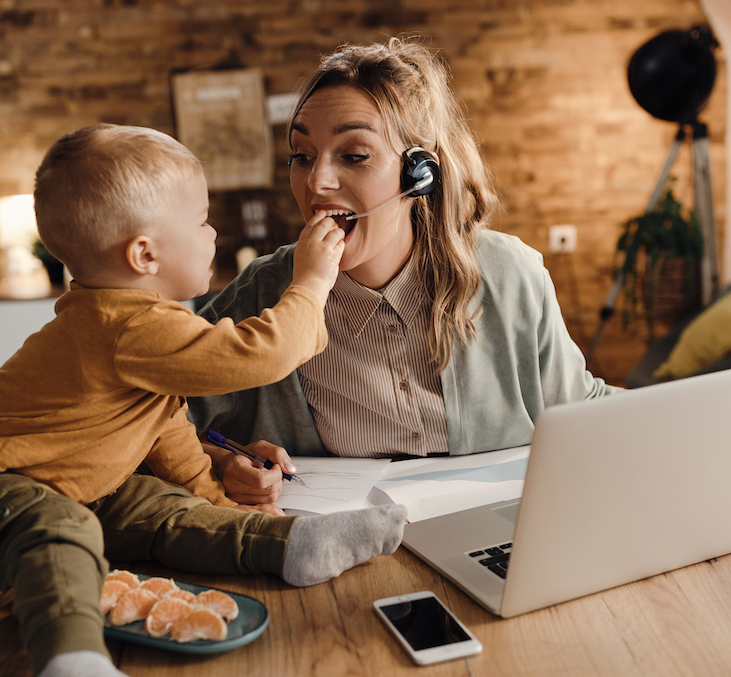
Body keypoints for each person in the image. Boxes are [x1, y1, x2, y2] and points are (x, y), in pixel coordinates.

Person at [0, 123, 407, 677]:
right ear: (145, 255)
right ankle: (69, 671)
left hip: (64, 483)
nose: (213, 232)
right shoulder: (126, 327)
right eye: (200, 221)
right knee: (59, 531)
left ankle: (285, 543)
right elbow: (264, 353)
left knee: (156, 503)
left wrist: (218, 504)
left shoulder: (145, 329)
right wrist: (310, 282)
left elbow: (172, 439)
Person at [189, 38, 621, 506]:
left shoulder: (509, 273)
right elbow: (155, 418)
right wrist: (218, 461)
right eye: (302, 155)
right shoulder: (265, 290)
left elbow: (581, 408)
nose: (316, 182)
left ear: (419, 176)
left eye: (354, 155)